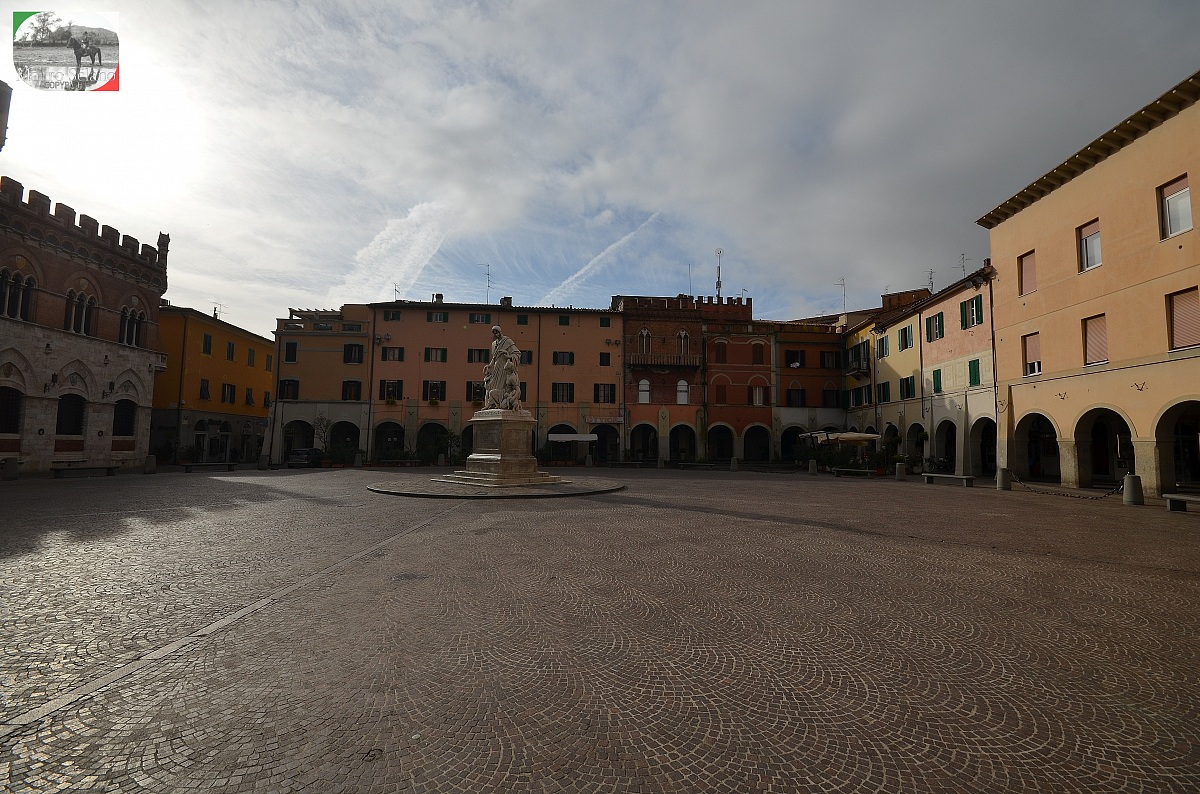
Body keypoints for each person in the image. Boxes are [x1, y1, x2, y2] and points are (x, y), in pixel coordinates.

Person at [483, 326, 521, 409]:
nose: (496, 334)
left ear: (500, 332)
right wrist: (489, 366)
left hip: (505, 368)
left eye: (497, 332)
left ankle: (501, 403)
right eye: (494, 333)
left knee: (502, 386)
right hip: (496, 368)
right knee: (491, 385)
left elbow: (517, 353)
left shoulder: (507, 341)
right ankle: (493, 404)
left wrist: (508, 355)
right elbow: (494, 358)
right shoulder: (494, 344)